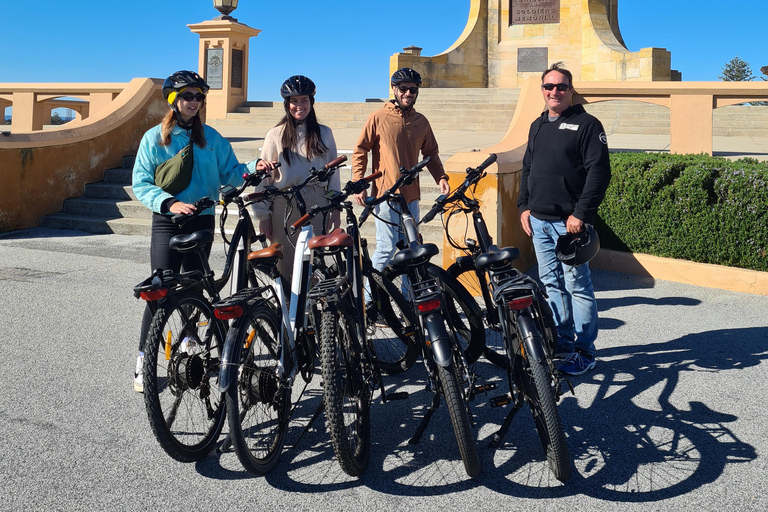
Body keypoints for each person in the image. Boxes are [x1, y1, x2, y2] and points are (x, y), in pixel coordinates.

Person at [131, 70, 275, 392]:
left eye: (198, 96)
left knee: (196, 284)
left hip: (202, 219)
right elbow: (141, 182)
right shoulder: (155, 139)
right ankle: (144, 360)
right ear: (173, 100)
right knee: (161, 288)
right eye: (186, 96)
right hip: (168, 220)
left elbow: (232, 174)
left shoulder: (211, 138)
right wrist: (169, 203)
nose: (193, 102)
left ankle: (190, 344)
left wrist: (254, 168)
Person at [517, 62, 611, 376]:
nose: (554, 92)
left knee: (578, 286)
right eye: (549, 87)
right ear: (542, 91)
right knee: (551, 285)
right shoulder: (537, 124)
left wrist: (581, 214)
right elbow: (527, 167)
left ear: (570, 91)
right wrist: (523, 206)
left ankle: (585, 351)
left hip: (569, 226)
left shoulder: (587, 124)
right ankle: (562, 344)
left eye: (561, 86)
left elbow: (599, 173)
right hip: (539, 223)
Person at [352, 67, 450, 272]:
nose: (408, 94)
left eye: (412, 90)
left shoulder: (420, 121)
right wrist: (358, 182)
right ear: (394, 89)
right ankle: (371, 298)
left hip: (411, 197)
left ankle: (408, 297)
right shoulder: (378, 117)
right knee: (386, 249)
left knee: (411, 249)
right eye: (403, 89)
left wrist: (440, 177)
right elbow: (361, 150)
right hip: (386, 194)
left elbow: (431, 153)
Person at [250, 75, 341, 281]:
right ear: (286, 104)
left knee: (315, 265)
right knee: (287, 267)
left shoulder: (325, 133)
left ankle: (315, 313)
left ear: (312, 102)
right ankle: (288, 312)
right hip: (285, 205)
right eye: (294, 101)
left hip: (318, 204)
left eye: (304, 100)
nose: (299, 106)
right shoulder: (275, 135)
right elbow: (265, 177)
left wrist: (335, 207)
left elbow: (333, 173)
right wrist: (263, 216)